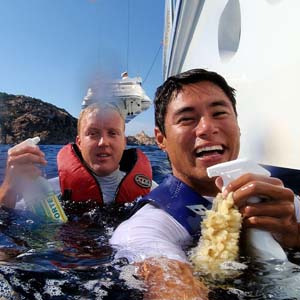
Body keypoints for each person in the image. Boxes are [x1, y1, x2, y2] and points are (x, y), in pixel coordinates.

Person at [110, 68, 300, 299]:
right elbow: (168, 282)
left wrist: (293, 235)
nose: (207, 128)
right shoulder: (145, 229)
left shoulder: (285, 203)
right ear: (161, 139)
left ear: (238, 127)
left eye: (219, 113)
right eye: (187, 119)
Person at [0, 103, 156, 219]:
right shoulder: (51, 192)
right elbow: (6, 224)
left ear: (124, 142)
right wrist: (8, 187)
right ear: (79, 142)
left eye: (112, 133)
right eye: (93, 133)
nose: (103, 142)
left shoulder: (152, 192)